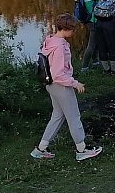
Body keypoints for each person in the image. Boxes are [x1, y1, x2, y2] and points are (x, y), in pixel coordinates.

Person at [30, 13, 103, 161]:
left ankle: (40, 149)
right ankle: (81, 150)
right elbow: (58, 74)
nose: (74, 32)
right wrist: (75, 84)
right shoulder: (59, 46)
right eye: (73, 29)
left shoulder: (50, 40)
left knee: (57, 115)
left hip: (51, 85)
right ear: (66, 28)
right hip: (61, 86)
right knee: (74, 117)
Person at [79, 0, 108, 72]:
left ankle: (95, 62)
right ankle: (84, 67)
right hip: (93, 21)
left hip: (90, 21)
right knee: (91, 44)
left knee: (95, 42)